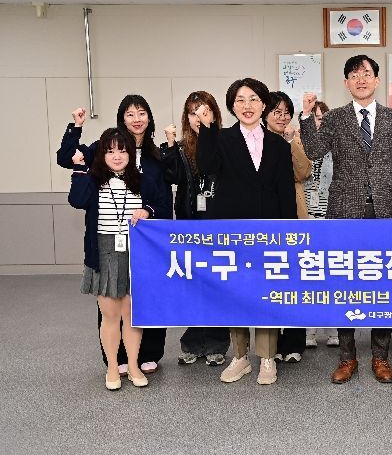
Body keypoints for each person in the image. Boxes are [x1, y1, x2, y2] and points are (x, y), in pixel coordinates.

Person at [299, 54, 392, 384]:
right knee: (344, 283)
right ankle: (347, 357)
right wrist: (306, 116)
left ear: (377, 79)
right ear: (346, 83)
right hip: (344, 211)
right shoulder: (335, 117)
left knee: (384, 284)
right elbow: (314, 151)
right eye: (353, 75)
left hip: (385, 211)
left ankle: (380, 356)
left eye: (366, 73)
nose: (360, 79)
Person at [57, 96, 171, 376]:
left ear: (149, 117)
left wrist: (150, 210)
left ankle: (147, 354)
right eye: (130, 114)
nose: (136, 119)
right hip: (108, 241)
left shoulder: (156, 155)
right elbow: (67, 158)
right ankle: (115, 359)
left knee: (144, 299)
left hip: (144, 240)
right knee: (110, 302)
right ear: (121, 119)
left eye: (141, 113)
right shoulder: (104, 146)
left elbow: (162, 195)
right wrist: (76, 127)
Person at [198, 78, 297, 385]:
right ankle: (240, 357)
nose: (247, 105)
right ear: (232, 106)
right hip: (232, 231)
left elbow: (286, 192)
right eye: (240, 100)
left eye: (253, 99)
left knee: (267, 293)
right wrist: (207, 129)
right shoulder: (220, 138)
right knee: (236, 293)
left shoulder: (279, 145)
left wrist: (289, 232)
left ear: (264, 104)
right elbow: (205, 166)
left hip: (269, 232)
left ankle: (267, 358)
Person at [160, 91, 230, 367]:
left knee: (216, 284)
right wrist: (169, 145)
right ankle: (192, 343)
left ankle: (216, 344)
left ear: (214, 113)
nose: (198, 117)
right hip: (189, 222)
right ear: (186, 118)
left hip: (218, 223)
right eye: (193, 113)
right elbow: (172, 177)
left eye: (204, 111)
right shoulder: (180, 147)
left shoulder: (225, 141)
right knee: (190, 283)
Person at [264, 91, 311, 363]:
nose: (282, 117)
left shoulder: (294, 139)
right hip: (268, 218)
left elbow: (304, 171)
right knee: (271, 280)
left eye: (286, 112)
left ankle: (294, 341)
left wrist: (292, 142)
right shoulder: (257, 140)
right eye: (276, 112)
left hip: (295, 216)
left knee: (295, 281)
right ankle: (270, 343)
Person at [301, 100, 339, 348]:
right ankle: (309, 331)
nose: (320, 122)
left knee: (333, 275)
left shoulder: (337, 147)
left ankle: (334, 330)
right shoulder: (300, 144)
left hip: (330, 218)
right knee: (309, 275)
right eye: (316, 117)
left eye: (324, 118)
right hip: (306, 219)